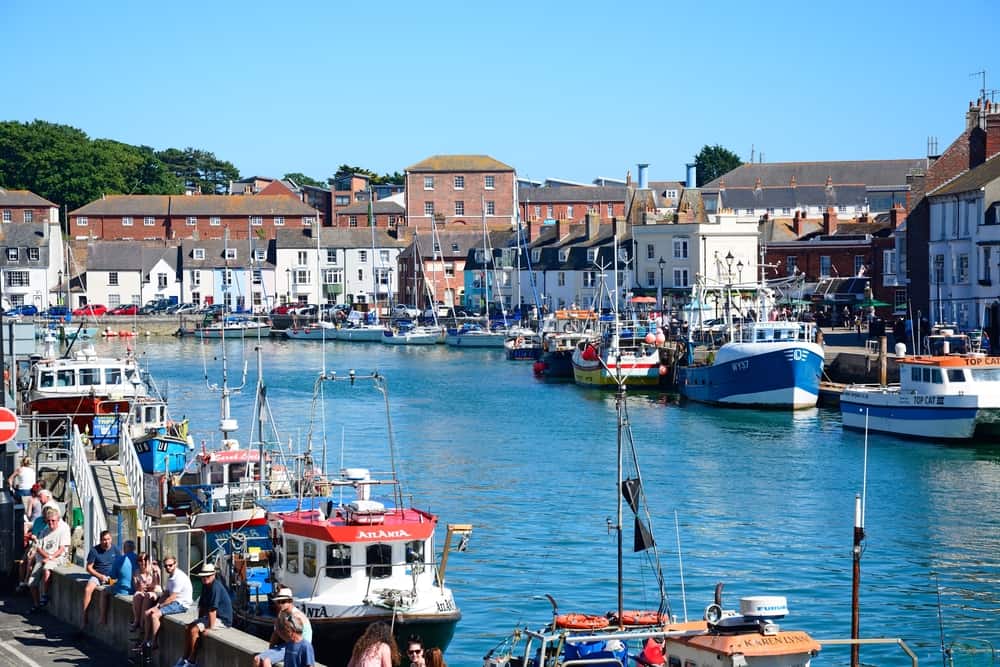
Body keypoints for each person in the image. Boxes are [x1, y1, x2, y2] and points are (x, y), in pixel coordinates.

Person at [175, 563, 233, 667]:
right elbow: (202, 606)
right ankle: (184, 658)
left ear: (213, 575)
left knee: (194, 630)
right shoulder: (206, 586)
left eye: (208, 576)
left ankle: (192, 661)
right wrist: (198, 621)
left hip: (222, 619)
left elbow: (212, 610)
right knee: (188, 627)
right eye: (203, 576)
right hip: (211, 617)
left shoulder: (216, 587)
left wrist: (210, 628)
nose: (205, 578)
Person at [142, 554, 193, 650]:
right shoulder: (171, 577)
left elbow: (172, 598)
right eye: (166, 566)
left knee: (154, 615)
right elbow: (166, 594)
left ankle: (154, 642)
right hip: (175, 601)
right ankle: (146, 639)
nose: (168, 568)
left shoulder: (179, 577)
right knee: (149, 612)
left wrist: (158, 607)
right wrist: (156, 605)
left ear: (175, 564)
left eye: (170, 565)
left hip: (181, 604)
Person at [253, 586, 312, 667]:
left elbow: (292, 639)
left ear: (290, 601)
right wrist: (271, 650)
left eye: (283, 601)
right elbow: (275, 634)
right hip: (287, 645)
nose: (280, 604)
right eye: (278, 601)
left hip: (296, 647)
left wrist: (278, 630)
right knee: (257, 659)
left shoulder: (296, 616)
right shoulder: (282, 614)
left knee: (266, 662)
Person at [28, 506, 70, 612]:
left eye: (53, 521)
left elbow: (62, 549)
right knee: (31, 583)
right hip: (44, 557)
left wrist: (50, 557)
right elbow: (38, 547)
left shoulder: (63, 530)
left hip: (57, 557)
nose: (51, 523)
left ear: (58, 520)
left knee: (47, 569)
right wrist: (46, 556)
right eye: (49, 521)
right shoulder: (45, 531)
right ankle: (37, 604)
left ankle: (45, 595)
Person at [79, 530, 119, 633]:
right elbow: (89, 568)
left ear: (111, 539)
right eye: (104, 540)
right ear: (100, 540)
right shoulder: (94, 551)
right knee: (88, 589)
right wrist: (100, 576)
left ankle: (103, 618)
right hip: (98, 575)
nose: (106, 542)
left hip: (110, 577)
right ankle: (84, 617)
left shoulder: (115, 549)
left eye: (108, 539)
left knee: (117, 587)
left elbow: (120, 564)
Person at [131, 552, 161, 631]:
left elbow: (157, 584)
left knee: (147, 596)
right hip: (143, 592)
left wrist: (154, 573)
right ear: (138, 562)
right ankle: (137, 620)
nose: (143, 562)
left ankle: (141, 624)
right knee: (137, 595)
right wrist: (140, 588)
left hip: (155, 592)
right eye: (140, 560)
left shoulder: (154, 569)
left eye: (145, 559)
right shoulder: (136, 572)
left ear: (148, 560)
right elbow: (136, 587)